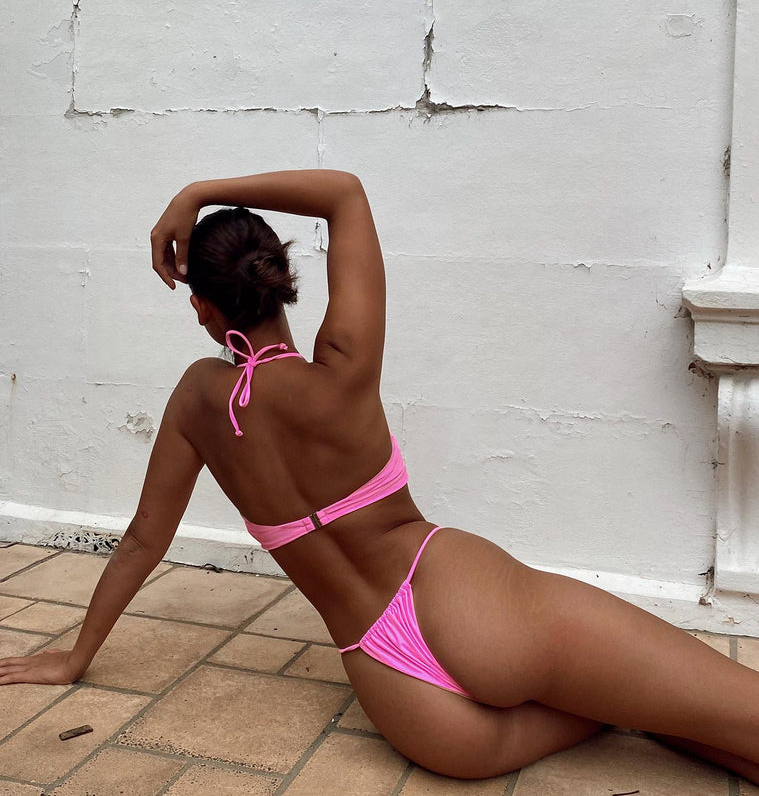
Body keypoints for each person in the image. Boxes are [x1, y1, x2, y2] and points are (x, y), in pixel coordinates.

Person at [1, 169, 758, 782]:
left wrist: (75, 656)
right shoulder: (340, 369)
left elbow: (143, 539)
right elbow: (344, 193)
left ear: (201, 305)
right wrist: (199, 191)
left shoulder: (198, 401)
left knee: (668, 722)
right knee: (727, 709)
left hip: (408, 701)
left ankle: (637, 706)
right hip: (465, 603)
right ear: (280, 276)